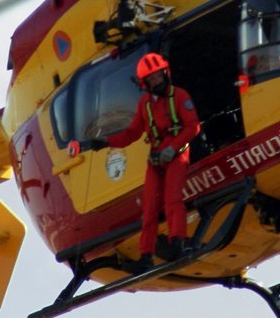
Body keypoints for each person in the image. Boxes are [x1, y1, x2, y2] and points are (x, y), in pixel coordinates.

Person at [71, 52, 202, 262]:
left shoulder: (179, 96)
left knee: (172, 200)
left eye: (158, 76)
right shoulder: (144, 105)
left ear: (165, 74)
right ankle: (146, 255)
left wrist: (173, 148)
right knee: (149, 209)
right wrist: (106, 141)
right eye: (152, 79)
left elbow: (193, 127)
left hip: (176, 155)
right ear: (144, 83)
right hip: (156, 159)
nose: (157, 81)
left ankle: (178, 241)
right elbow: (131, 134)